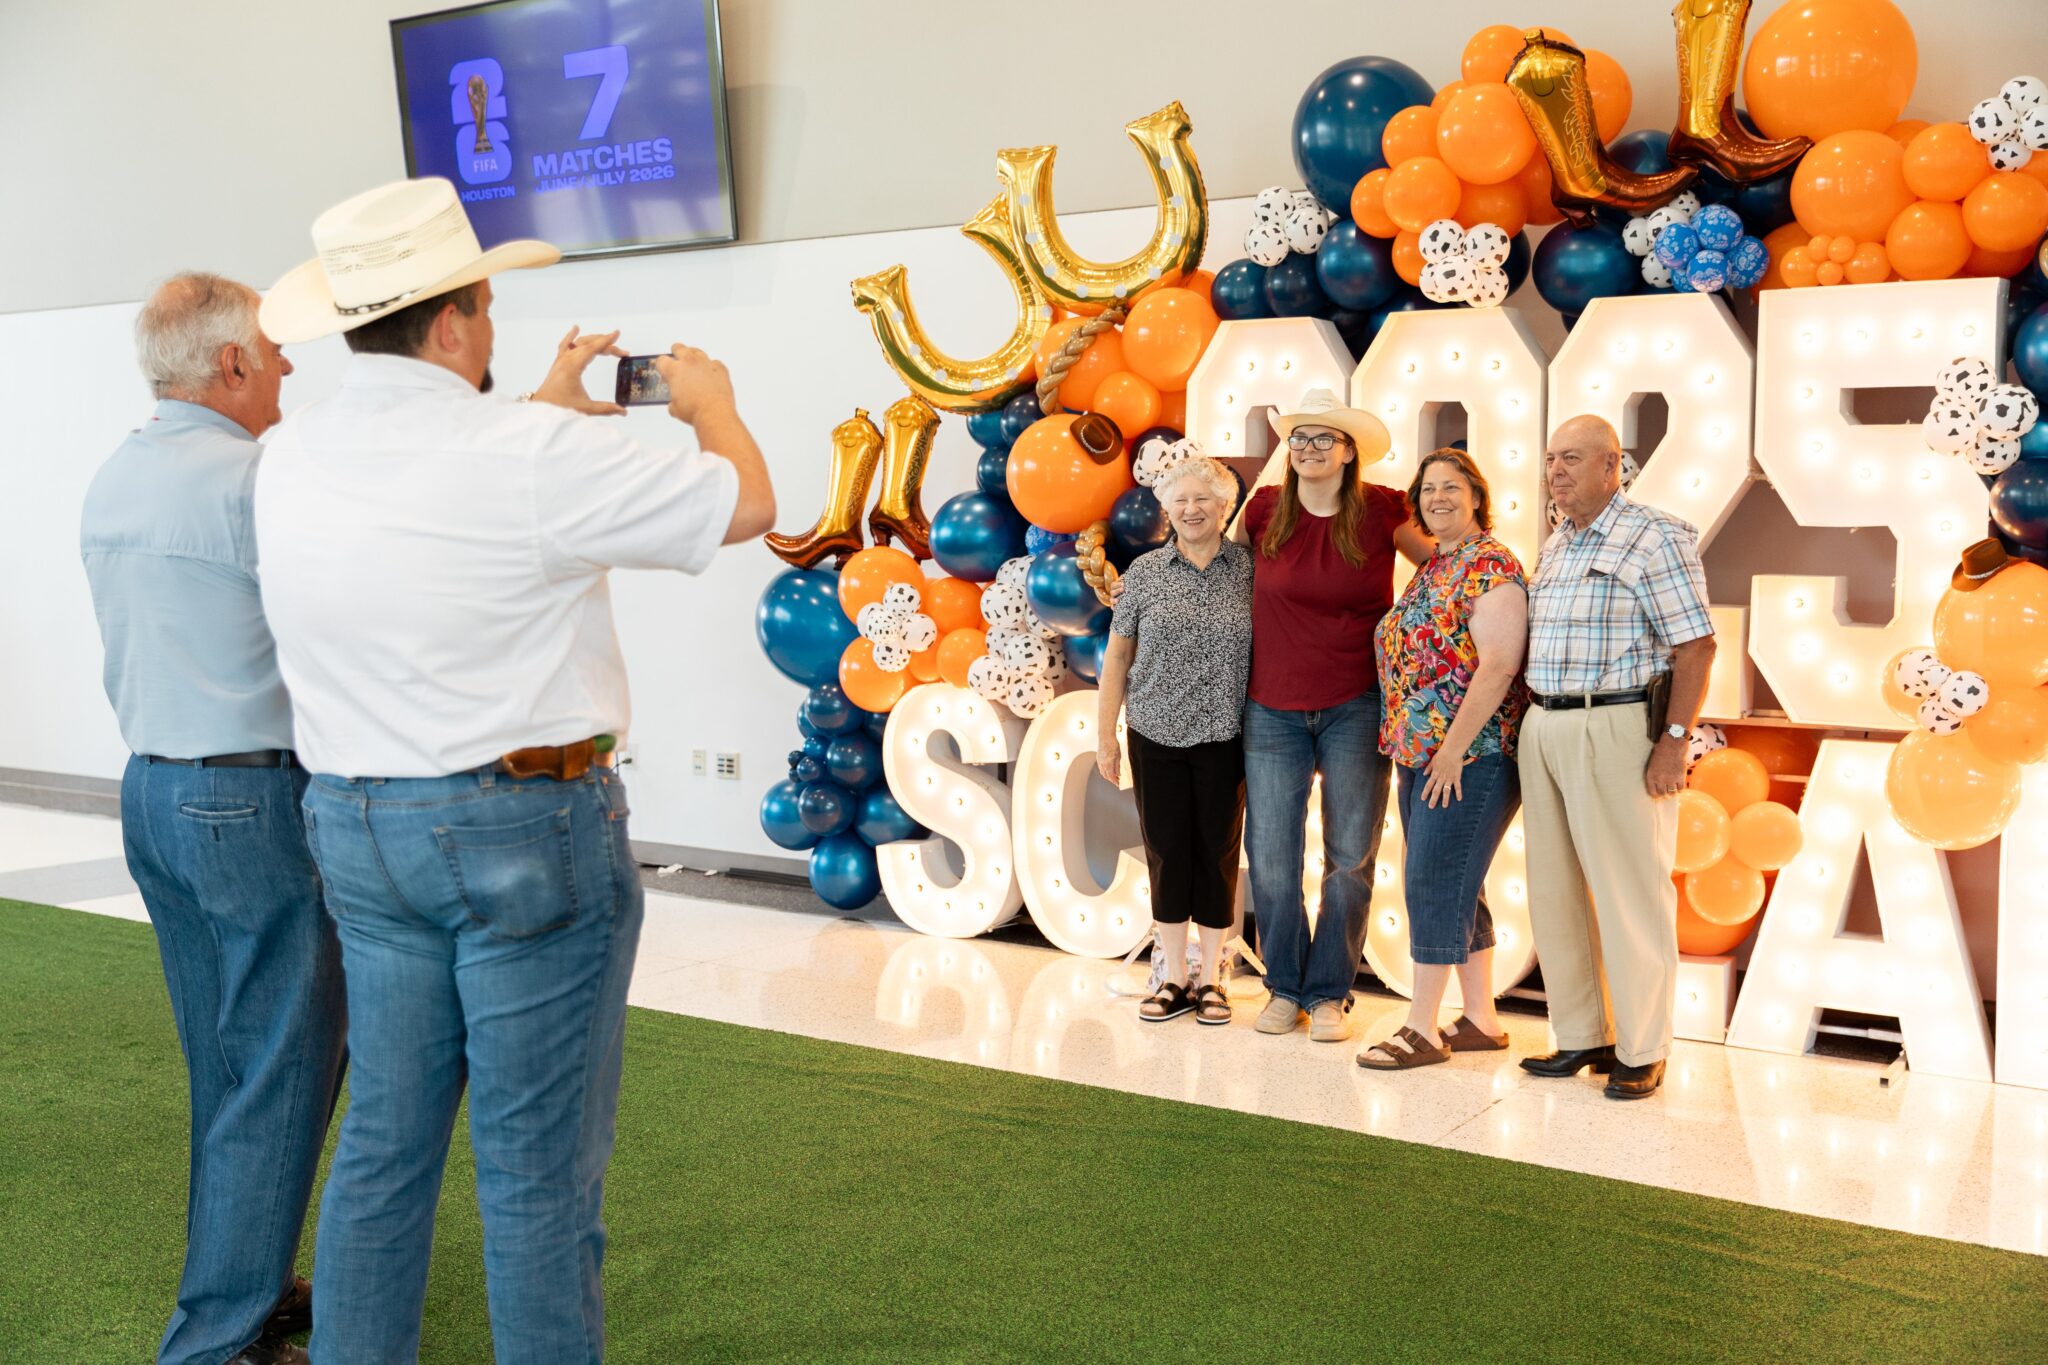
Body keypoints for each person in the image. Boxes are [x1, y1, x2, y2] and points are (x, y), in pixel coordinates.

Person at [250, 178, 775, 1362]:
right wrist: (711, 404)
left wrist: (545, 411)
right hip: (520, 834)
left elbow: (447, 505)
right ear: (450, 324)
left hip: (357, 825)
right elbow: (746, 502)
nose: (489, 326)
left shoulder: (287, 457)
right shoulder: (526, 452)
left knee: (384, 1147)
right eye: (483, 306)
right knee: (536, 1177)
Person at [80, 272, 344, 1365]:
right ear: (231, 363)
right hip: (246, 801)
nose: (288, 367)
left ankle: (244, 1281)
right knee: (284, 1063)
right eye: (276, 353)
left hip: (152, 794)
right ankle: (222, 1336)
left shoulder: (117, 474)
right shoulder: (254, 480)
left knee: (229, 1065)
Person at [1517, 415, 1715, 1101]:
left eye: (1571, 458)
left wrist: (1675, 740)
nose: (1556, 472)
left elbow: (1695, 646)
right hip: (1545, 722)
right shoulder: (1558, 543)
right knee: (1555, 889)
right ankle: (1582, 1033)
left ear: (1614, 466)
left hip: (1618, 724)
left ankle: (1643, 1046)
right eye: (1550, 460)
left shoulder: (1655, 534)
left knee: (1630, 891)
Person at [1235, 388, 1431, 1043]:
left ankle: (1329, 992)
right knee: (1270, 857)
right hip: (1271, 708)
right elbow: (1218, 574)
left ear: (1350, 452)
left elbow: (1442, 564)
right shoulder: (1265, 510)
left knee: (1349, 857)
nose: (1309, 449)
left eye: (1324, 438)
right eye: (1299, 439)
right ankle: (1284, 986)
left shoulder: (1382, 510)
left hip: (1356, 705)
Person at [1358, 449, 1528, 1070]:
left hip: (1471, 756)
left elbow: (1501, 663)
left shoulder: (1491, 565)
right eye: (1428, 490)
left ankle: (1421, 1028)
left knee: (1432, 879)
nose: (1438, 498)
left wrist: (1453, 751)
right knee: (1460, 881)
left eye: (1451, 488)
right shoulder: (1435, 566)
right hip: (1421, 753)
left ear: (1477, 496)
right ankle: (1481, 1019)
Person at [1095, 456, 1254, 1026]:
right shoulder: (1141, 575)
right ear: (1167, 509)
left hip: (1225, 733)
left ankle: (1211, 977)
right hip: (1154, 732)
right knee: (1165, 851)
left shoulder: (1250, 571)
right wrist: (1106, 736)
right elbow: (1118, 656)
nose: (1191, 510)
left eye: (1202, 500)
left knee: (1216, 853)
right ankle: (1172, 976)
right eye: (1180, 501)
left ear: (1224, 507)